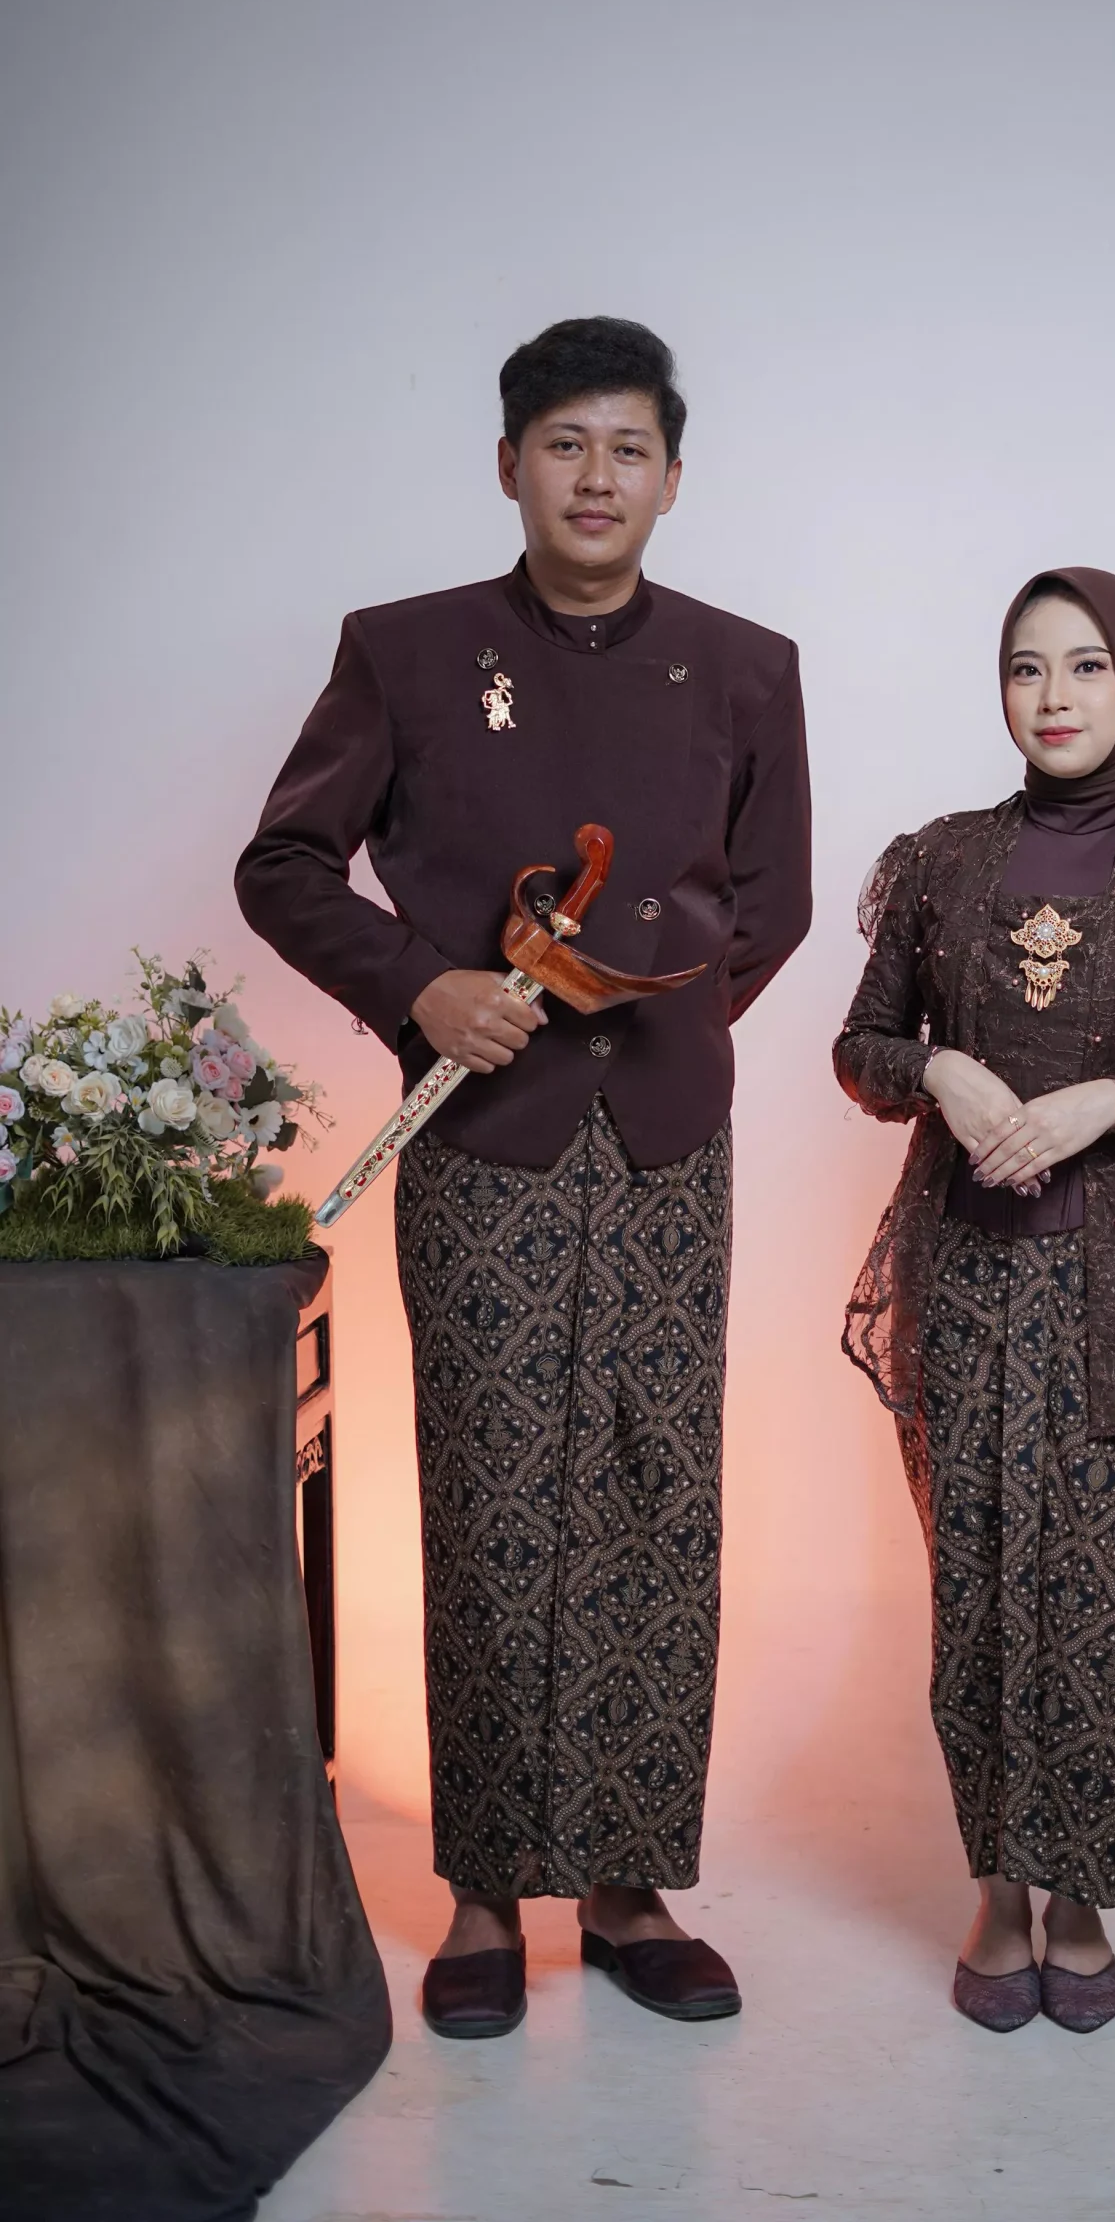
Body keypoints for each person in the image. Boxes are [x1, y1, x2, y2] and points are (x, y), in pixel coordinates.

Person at [237, 318, 811, 2038]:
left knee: (654, 1493)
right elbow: (284, 861)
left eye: (628, 448)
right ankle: (484, 1891)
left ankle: (629, 1889)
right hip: (477, 1139)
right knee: (490, 1493)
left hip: (665, 1139)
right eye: (564, 444)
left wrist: (640, 1014)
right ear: (508, 465)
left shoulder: (745, 665)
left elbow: (771, 903)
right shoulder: (404, 650)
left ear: (673, 477)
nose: (595, 477)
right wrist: (421, 988)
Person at [833, 567, 1115, 2033]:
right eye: (1026, 667)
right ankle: (996, 1888)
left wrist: (1108, 1101)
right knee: (975, 1594)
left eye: (1086, 666)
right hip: (967, 1281)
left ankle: (1082, 1894)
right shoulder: (940, 862)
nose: (1053, 696)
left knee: (1102, 1603)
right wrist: (940, 1070)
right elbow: (860, 1048)